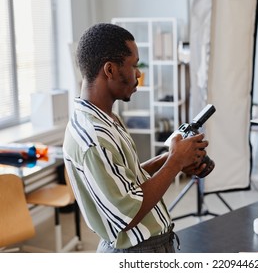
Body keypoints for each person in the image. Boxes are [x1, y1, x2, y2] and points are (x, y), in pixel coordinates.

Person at [63, 23, 213, 253]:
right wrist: (174, 163)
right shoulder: (93, 137)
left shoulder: (105, 118)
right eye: (134, 65)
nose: (139, 73)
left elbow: (124, 180)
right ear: (110, 70)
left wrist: (171, 159)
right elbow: (127, 212)